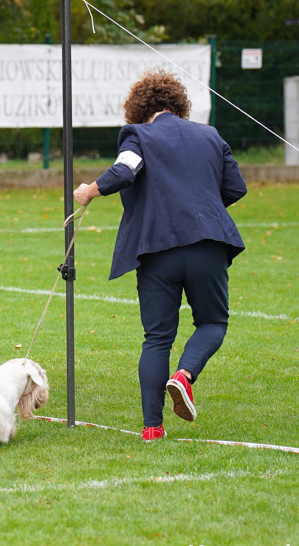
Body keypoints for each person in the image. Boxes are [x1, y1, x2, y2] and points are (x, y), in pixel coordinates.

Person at [73, 69, 247, 441]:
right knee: (213, 324)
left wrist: (90, 189)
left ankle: (152, 428)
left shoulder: (138, 135)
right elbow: (236, 187)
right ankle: (184, 375)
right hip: (208, 245)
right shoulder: (211, 135)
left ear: (138, 109)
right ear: (179, 106)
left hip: (157, 251)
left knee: (157, 339)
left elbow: (126, 170)